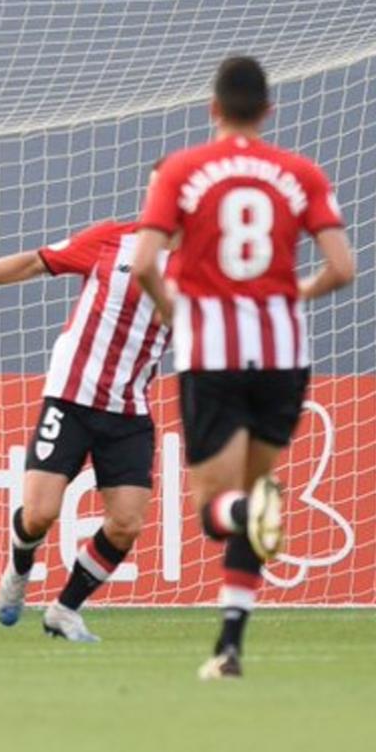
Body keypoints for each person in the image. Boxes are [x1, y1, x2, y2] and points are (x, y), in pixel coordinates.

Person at [132, 56, 354, 679]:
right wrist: (295, 294)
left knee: (219, 507)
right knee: (256, 492)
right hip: (284, 354)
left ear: (213, 109)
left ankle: (241, 519)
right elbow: (342, 267)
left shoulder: (183, 169)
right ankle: (229, 645)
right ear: (267, 111)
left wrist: (172, 310)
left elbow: (145, 262)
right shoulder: (301, 173)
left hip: (213, 352)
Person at [0, 186, 172, 641]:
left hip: (128, 411)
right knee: (39, 514)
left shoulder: (201, 270)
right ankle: (18, 570)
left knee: (126, 524)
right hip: (70, 398)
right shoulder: (111, 239)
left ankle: (64, 610)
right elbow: (36, 262)